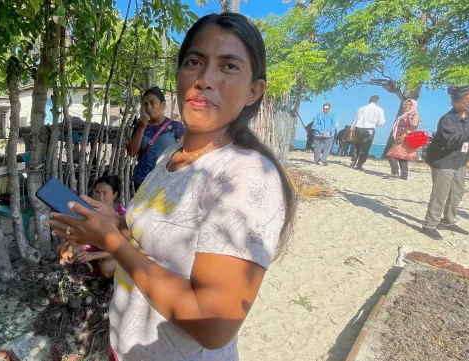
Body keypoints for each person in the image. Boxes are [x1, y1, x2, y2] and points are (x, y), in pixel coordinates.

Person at [47, 13, 297, 361]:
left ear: (254, 90)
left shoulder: (247, 175)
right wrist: (114, 224)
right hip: (125, 347)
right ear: (178, 76)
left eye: (228, 67)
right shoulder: (170, 155)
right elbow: (159, 235)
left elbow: (213, 326)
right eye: (194, 62)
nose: (204, 79)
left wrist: (112, 242)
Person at [420, 86, 469, 240]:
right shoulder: (447, 119)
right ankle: (429, 225)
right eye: (466, 102)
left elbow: (466, 138)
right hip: (443, 161)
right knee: (440, 194)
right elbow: (450, 142)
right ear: (454, 101)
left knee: (457, 193)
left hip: (460, 160)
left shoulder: (468, 116)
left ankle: (448, 221)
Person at [58, 176, 125, 279]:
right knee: (63, 250)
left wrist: (94, 255)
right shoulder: (94, 210)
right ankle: (91, 271)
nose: (100, 197)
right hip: (98, 246)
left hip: (117, 254)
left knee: (106, 268)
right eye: (97, 192)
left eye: (105, 193)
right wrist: (72, 245)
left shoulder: (121, 216)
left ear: (115, 194)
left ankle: (122, 278)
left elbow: (124, 249)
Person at [126, 86, 185, 191]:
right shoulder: (140, 126)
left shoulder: (176, 127)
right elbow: (131, 152)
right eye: (145, 104)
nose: (148, 107)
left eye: (152, 103)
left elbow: (182, 157)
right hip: (142, 181)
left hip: (166, 181)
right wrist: (141, 128)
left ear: (163, 105)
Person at [387, 99, 421, 180]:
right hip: (401, 137)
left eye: (409, 104)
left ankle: (395, 173)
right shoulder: (404, 115)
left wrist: (404, 135)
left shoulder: (413, 114)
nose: (407, 106)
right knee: (402, 157)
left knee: (391, 155)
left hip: (405, 138)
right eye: (406, 104)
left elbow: (414, 126)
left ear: (413, 106)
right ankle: (404, 175)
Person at [350, 95, 385, 169]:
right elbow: (381, 122)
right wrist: (377, 124)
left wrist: (352, 129)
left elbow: (355, 120)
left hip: (358, 128)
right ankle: (359, 164)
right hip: (369, 129)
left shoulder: (361, 109)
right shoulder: (379, 109)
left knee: (357, 145)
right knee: (365, 147)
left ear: (369, 100)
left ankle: (353, 160)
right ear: (377, 101)